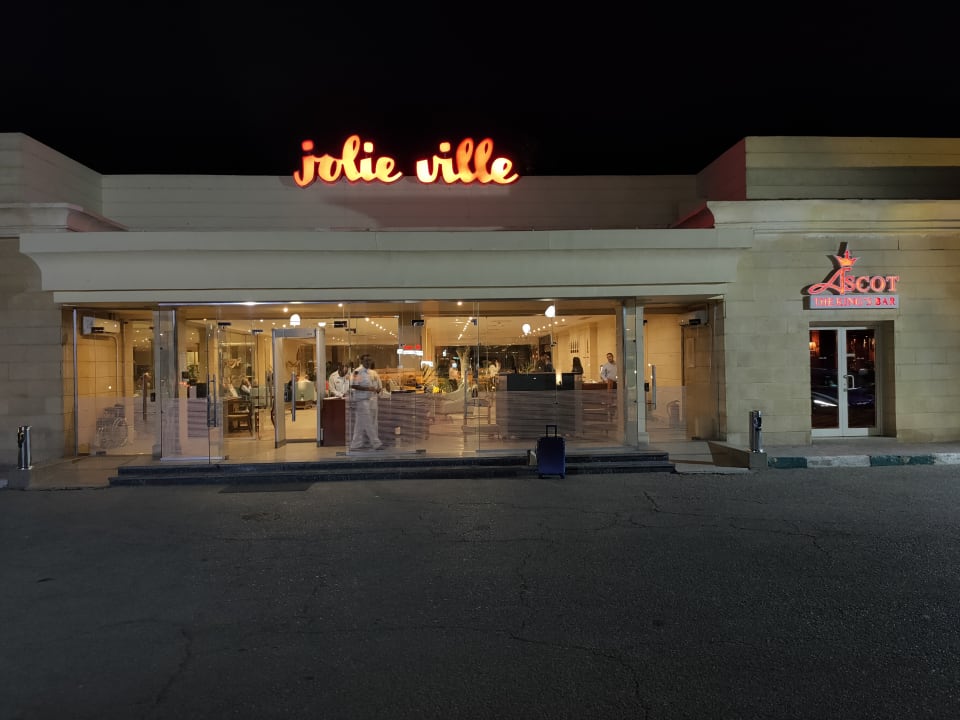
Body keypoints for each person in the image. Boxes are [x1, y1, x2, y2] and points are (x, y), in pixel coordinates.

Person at [349, 354, 383, 450]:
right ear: (361, 361)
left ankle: (356, 444)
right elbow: (354, 385)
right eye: (366, 360)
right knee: (368, 422)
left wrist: (376, 389)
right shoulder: (357, 372)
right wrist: (367, 388)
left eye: (369, 360)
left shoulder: (371, 372)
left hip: (370, 400)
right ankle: (376, 443)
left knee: (360, 424)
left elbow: (377, 385)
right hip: (361, 400)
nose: (368, 362)